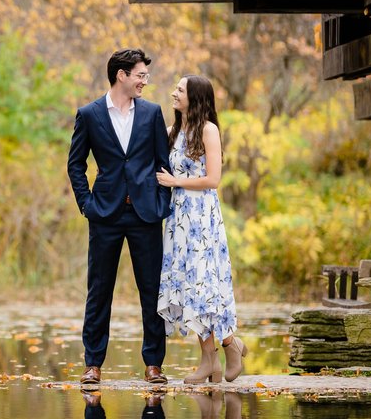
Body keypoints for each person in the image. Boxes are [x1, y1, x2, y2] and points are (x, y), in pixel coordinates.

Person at [67, 48, 173, 387]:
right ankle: (93, 363)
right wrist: (87, 205)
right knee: (99, 290)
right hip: (105, 215)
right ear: (121, 75)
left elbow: (162, 163)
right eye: (140, 75)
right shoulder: (89, 114)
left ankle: (154, 364)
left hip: (145, 215)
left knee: (151, 290)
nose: (145, 81)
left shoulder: (153, 113)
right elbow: (76, 164)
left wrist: (160, 203)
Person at [155, 75, 247, 383]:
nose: (174, 93)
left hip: (202, 220)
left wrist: (176, 181)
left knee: (205, 286)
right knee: (188, 288)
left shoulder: (208, 130)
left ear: (195, 97)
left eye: (180, 89)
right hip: (178, 220)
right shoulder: (172, 132)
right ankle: (211, 361)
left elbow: (213, 179)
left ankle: (230, 346)